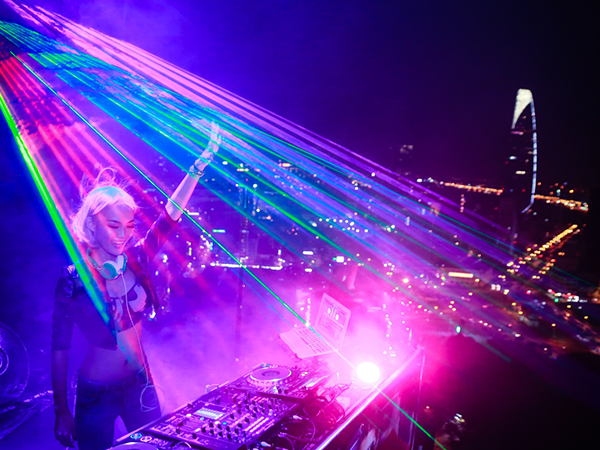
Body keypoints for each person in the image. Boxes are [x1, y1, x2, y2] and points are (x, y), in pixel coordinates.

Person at [51, 122, 221, 450]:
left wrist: (200, 164)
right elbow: (60, 349)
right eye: (113, 225)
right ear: (91, 225)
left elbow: (170, 216)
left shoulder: (137, 258)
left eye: (129, 226)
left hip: (141, 384)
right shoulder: (73, 278)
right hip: (96, 393)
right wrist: (61, 411)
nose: (123, 235)